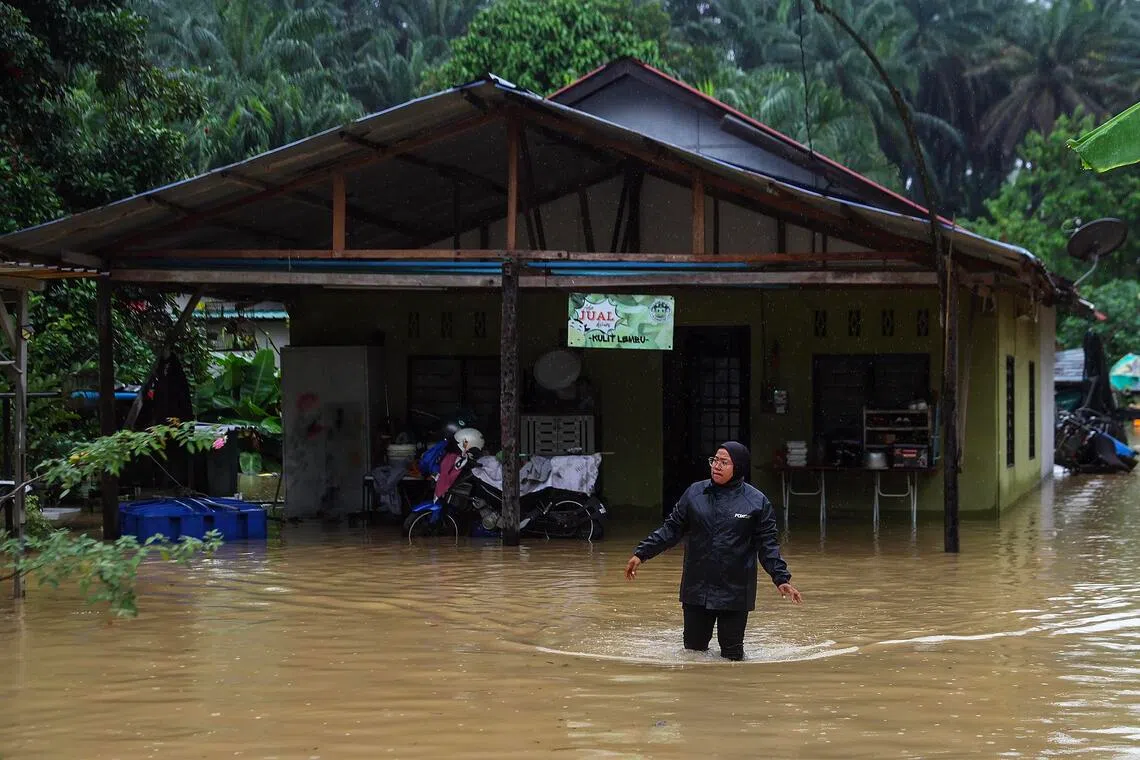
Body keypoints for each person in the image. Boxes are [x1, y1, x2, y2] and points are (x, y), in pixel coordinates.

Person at [625, 441, 802, 661]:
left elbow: (768, 545)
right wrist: (642, 553)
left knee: (732, 656)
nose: (716, 466)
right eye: (714, 460)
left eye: (723, 462)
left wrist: (781, 578)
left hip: (735, 591)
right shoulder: (695, 493)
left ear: (738, 466)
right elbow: (671, 529)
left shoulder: (756, 502)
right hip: (697, 588)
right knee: (692, 654)